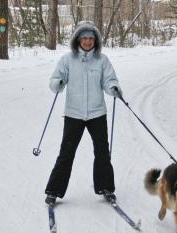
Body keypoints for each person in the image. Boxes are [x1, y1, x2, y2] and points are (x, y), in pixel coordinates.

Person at [44, 21, 123, 205]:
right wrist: (58, 83)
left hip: (97, 113)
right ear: (78, 39)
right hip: (74, 114)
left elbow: (109, 80)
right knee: (66, 153)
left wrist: (114, 88)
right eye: (84, 38)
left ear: (95, 40)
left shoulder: (102, 60)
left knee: (102, 152)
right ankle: (54, 190)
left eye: (91, 38)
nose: (88, 41)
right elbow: (55, 79)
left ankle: (106, 187)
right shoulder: (67, 60)